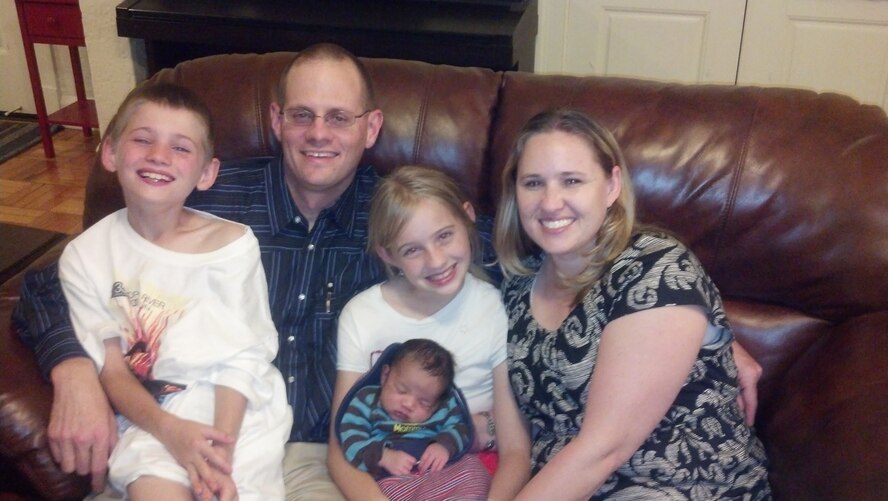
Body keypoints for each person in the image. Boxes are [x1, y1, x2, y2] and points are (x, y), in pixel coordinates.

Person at [11, 43, 764, 500]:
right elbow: (71, 273)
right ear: (275, 121)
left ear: (371, 127)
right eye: (301, 115)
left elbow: (511, 268)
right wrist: (73, 366)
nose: (318, 134)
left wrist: (700, 325)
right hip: (216, 434)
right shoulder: (212, 190)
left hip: (340, 454)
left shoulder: (402, 222)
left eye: (339, 118)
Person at [494, 108, 772, 500]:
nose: (550, 202)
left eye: (572, 181)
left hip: (680, 487)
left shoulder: (657, 270)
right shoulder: (515, 286)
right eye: (533, 183)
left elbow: (602, 449)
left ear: (611, 186)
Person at [58, 82, 291, 500]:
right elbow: (112, 371)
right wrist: (171, 433)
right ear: (109, 152)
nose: (159, 156)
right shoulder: (85, 256)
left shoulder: (233, 246)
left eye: (181, 148)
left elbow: (244, 360)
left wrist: (219, 450)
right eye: (143, 139)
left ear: (207, 173)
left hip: (236, 410)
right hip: (155, 417)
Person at [329, 165, 531, 500]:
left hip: (471, 465)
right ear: (388, 255)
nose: (436, 260)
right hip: (388, 471)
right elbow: (340, 449)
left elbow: (515, 451)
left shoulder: (494, 308)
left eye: (444, 236)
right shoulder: (362, 315)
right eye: (412, 250)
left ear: (467, 219)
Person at [336, 339, 488, 500]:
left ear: (438, 401)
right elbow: (350, 441)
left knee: (474, 468)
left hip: (439, 472)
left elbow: (461, 427)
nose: (408, 404)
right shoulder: (366, 400)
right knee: (388, 492)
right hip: (395, 479)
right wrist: (384, 456)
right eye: (401, 390)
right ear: (385, 375)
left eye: (424, 402)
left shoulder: (444, 406)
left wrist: (444, 445)